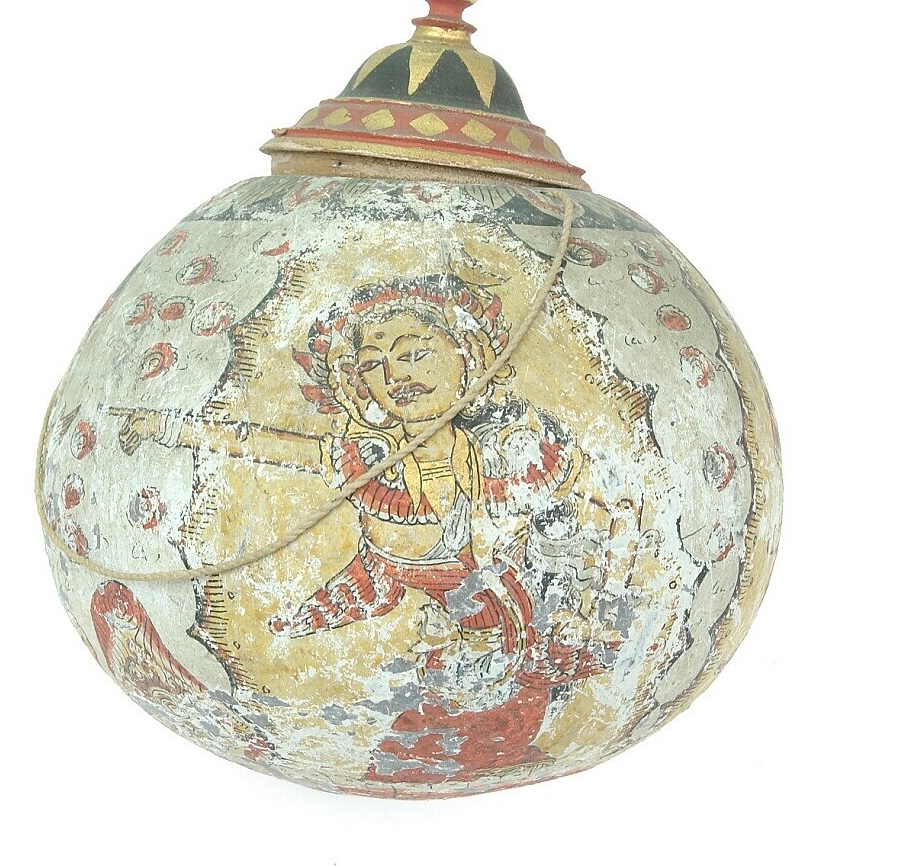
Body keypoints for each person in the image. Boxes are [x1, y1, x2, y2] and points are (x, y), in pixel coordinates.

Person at [119, 274, 637, 781]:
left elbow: (609, 512)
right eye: (373, 364)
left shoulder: (509, 453)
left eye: (415, 354)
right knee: (408, 748)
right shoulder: (372, 463)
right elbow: (263, 444)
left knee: (482, 740)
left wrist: (603, 594)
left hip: (522, 651)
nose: (395, 377)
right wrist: (166, 426)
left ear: (468, 355)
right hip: (454, 660)